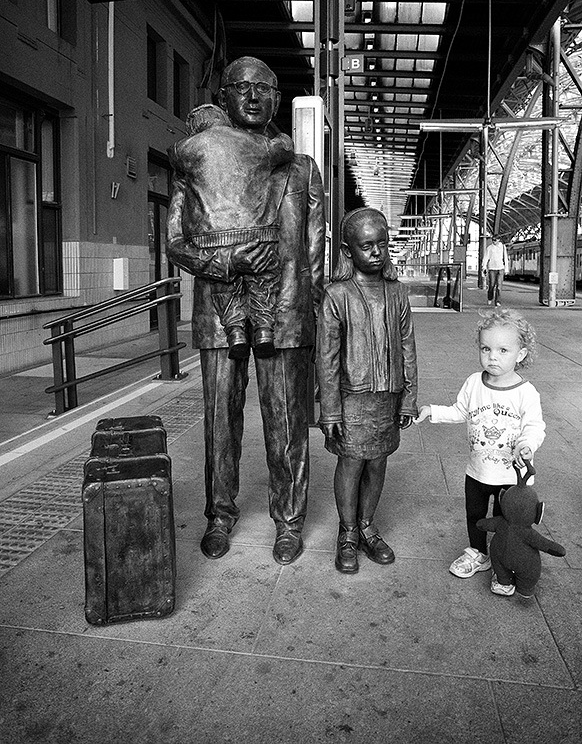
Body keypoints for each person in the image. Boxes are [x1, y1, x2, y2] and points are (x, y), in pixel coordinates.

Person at [167, 56, 325, 566]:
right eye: (241, 87)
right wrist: (222, 258)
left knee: (287, 420)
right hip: (218, 306)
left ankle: (290, 519)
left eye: (265, 88)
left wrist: (312, 315)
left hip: (287, 309)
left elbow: (316, 253)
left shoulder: (301, 168)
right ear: (225, 95)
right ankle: (220, 514)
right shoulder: (204, 159)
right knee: (220, 420)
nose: (253, 97)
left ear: (278, 99)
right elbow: (174, 240)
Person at [414, 308, 546, 595]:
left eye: (502, 350)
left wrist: (527, 444)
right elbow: (460, 411)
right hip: (476, 471)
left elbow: (536, 427)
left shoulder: (526, 393)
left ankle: (503, 564)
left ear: (520, 354)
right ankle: (478, 553)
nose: (492, 357)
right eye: (486, 349)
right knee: (474, 515)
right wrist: (431, 411)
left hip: (510, 478)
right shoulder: (475, 382)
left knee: (505, 525)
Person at [316, 208, 418, 574]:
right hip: (351, 398)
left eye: (383, 244)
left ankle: (368, 527)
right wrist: (329, 410)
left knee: (377, 462)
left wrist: (408, 397)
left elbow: (407, 347)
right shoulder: (337, 295)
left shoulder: (397, 293)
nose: (377, 252)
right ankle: (346, 533)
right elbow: (325, 359)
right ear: (347, 251)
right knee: (351, 463)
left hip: (387, 397)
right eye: (367, 246)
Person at [168, 102, 293, 360]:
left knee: (223, 287)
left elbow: (173, 154)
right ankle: (263, 329)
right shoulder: (256, 143)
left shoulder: (184, 149)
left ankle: (234, 330)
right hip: (258, 235)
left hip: (213, 239)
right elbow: (284, 147)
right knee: (263, 279)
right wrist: (281, 137)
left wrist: (224, 262)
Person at [483, 234, 509, 306]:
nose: (493, 241)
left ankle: (498, 301)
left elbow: (505, 258)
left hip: (501, 268)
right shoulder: (489, 248)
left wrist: (506, 269)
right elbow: (486, 258)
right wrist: (484, 267)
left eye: (495, 240)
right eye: (493, 240)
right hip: (492, 268)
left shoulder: (503, 247)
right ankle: (490, 297)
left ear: (498, 240)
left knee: (499, 286)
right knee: (491, 285)